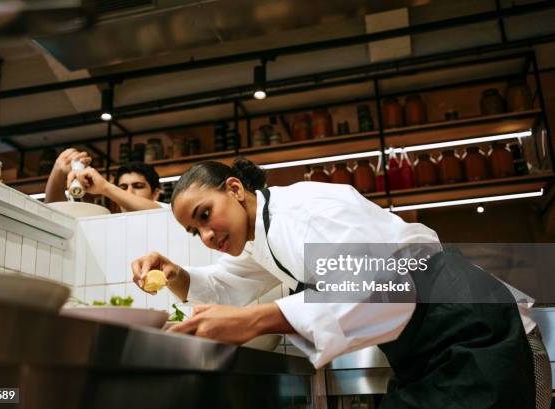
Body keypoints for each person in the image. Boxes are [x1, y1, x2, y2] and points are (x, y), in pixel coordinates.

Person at [131, 158, 543, 408]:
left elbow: (382, 290)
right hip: (430, 356)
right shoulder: (264, 236)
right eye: (193, 231)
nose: (205, 236)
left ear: (235, 189)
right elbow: (226, 286)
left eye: (205, 215)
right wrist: (175, 274)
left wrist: (255, 321)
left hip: (476, 334)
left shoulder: (302, 215)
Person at [45, 148, 164, 211]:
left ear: (155, 194)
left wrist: (105, 187)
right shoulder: (108, 220)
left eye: (138, 186)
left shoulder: (169, 214)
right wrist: (57, 171)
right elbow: (54, 213)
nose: (129, 192)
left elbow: (159, 212)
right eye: (123, 188)